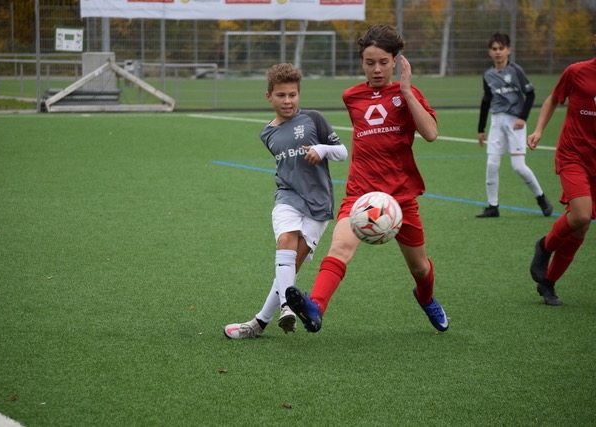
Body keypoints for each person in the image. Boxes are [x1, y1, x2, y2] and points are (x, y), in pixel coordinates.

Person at [285, 24, 448, 333]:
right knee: (339, 249)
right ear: (361, 63)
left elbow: (430, 134)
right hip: (361, 194)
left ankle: (426, 298)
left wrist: (406, 92)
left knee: (419, 267)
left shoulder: (408, 94)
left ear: (395, 61)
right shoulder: (352, 96)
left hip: (400, 197)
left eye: (384, 62)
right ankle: (315, 307)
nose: (377, 69)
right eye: (370, 62)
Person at [224, 63, 348, 339]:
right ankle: (286, 308)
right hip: (287, 196)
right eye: (281, 95)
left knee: (290, 269)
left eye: (293, 94)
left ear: (299, 94)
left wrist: (321, 149)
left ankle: (258, 323)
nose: (288, 100)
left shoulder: (314, 119)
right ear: (269, 96)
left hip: (319, 204)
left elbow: (342, 152)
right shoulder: (267, 133)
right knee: (285, 241)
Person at [527, 30, 596, 306]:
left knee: (581, 228)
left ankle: (548, 282)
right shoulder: (576, 72)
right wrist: (538, 130)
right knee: (581, 215)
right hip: (573, 155)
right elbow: (554, 99)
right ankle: (544, 246)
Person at [476, 33, 553, 218]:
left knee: (518, 166)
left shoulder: (516, 71)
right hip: (496, 122)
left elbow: (531, 94)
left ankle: (541, 198)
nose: (498, 52)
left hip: (515, 123)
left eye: (501, 48)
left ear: (508, 50)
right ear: (489, 52)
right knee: (492, 164)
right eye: (494, 49)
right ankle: (492, 206)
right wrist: (481, 128)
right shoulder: (488, 75)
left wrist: (523, 118)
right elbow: (486, 100)